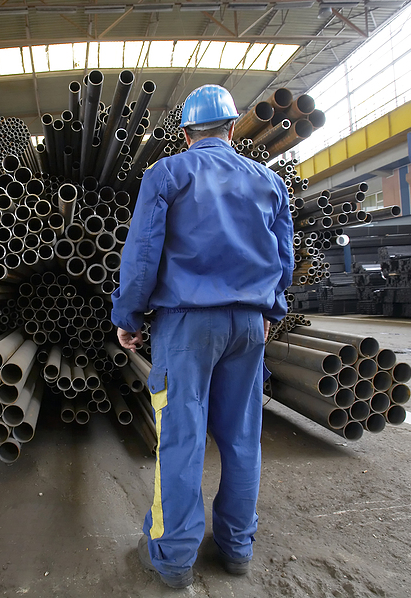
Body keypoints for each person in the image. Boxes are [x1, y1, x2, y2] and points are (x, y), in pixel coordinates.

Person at [111, 84, 294, 589]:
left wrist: (128, 315)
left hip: (189, 326)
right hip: (248, 327)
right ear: (233, 128)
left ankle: (172, 558)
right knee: (241, 438)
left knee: (182, 438)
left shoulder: (167, 174)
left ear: (187, 132)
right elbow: (284, 257)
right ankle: (237, 546)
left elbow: (143, 250)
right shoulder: (268, 182)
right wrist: (271, 309)